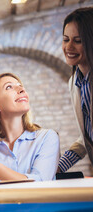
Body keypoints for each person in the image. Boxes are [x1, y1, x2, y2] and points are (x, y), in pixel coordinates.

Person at [59, 7, 93, 172]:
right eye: (66, 39)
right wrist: (58, 167)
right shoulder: (74, 82)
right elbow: (87, 136)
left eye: (77, 41)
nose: (69, 47)